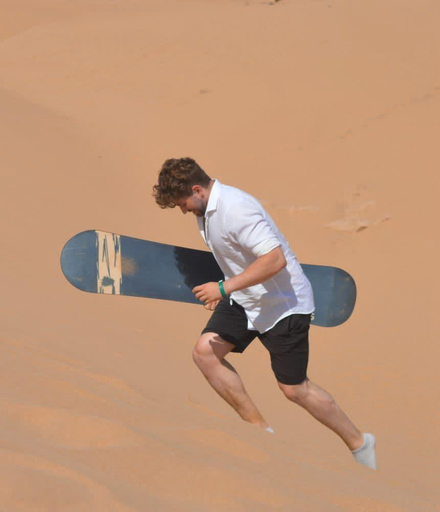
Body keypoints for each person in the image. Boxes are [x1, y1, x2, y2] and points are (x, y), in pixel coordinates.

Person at [153, 157, 376, 469]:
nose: (183, 210)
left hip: (284, 306)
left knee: (295, 390)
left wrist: (223, 288)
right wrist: (228, 288)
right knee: (205, 353)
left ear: (196, 189)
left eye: (183, 203)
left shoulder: (236, 208)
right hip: (246, 299)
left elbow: (274, 260)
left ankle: (359, 442)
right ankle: (261, 434)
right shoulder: (207, 211)